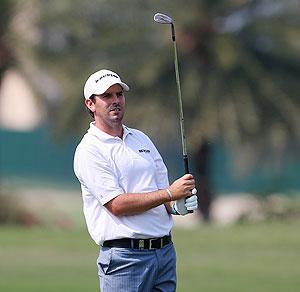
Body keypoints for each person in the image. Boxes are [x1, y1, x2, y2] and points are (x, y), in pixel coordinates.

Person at [73, 69, 198, 292]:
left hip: (164, 253)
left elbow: (162, 195)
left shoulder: (141, 139)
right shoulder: (89, 150)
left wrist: (178, 205)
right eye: (107, 96)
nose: (115, 101)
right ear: (90, 104)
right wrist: (170, 194)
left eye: (119, 94)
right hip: (125, 259)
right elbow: (117, 205)